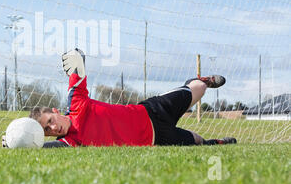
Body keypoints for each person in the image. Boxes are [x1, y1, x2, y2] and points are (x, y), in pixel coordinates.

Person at [12, 48, 236, 148]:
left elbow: (77, 75)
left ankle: (203, 80)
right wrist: (15, 141)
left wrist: (76, 58)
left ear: (55, 111)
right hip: (157, 138)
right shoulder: (70, 142)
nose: (53, 128)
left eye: (50, 121)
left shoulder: (77, 105)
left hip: (151, 111)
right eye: (47, 130)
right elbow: (38, 146)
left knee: (198, 89)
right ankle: (216, 143)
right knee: (196, 140)